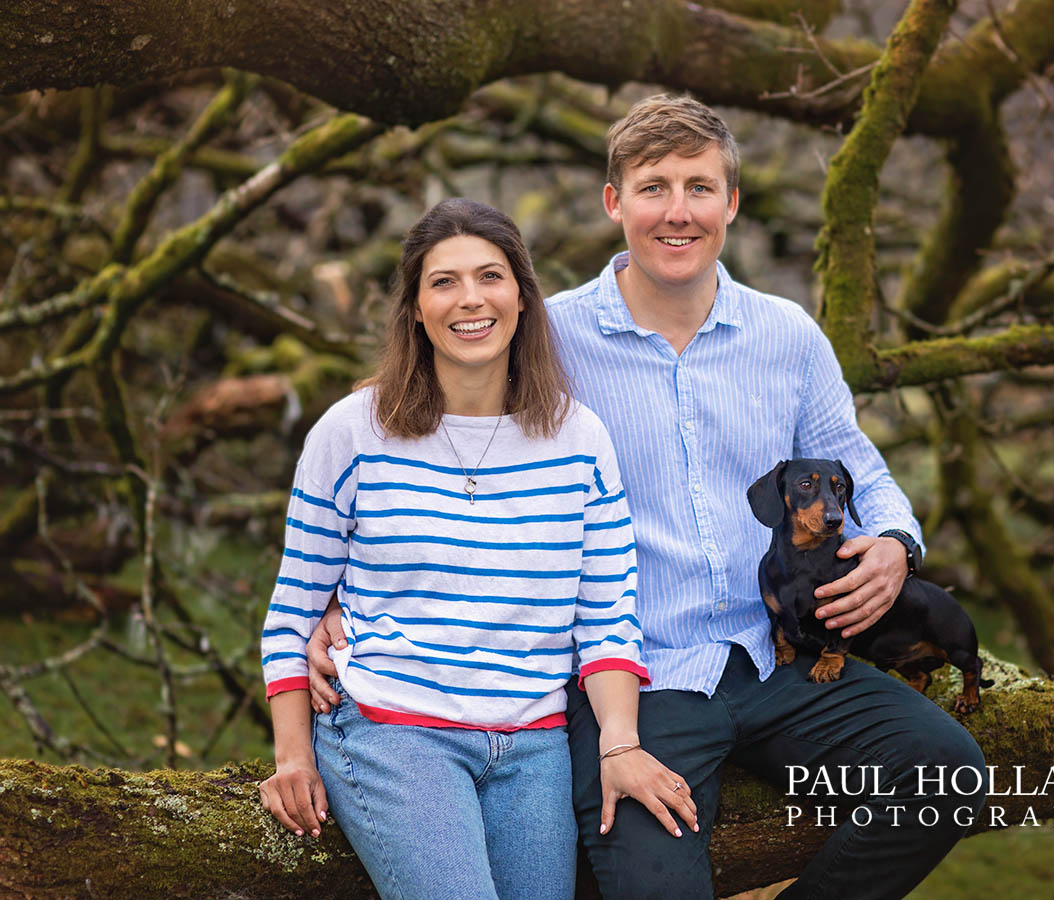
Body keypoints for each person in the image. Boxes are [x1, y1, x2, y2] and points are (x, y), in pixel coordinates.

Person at [308, 98, 987, 899]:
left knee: (949, 774)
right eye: (653, 186)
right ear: (614, 203)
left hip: (782, 658)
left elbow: (860, 469)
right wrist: (334, 598)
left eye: (699, 187)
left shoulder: (788, 335)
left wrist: (895, 542)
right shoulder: (547, 338)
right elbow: (408, 417)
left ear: (731, 203)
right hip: (632, 686)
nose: (677, 211)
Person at [258, 198, 697, 900]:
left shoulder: (579, 440)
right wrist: (291, 756)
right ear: (415, 309)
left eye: (491, 276)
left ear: (522, 297)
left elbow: (607, 617)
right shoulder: (352, 433)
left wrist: (621, 742)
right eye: (444, 282)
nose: (471, 299)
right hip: (391, 730)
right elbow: (291, 615)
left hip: (534, 746)